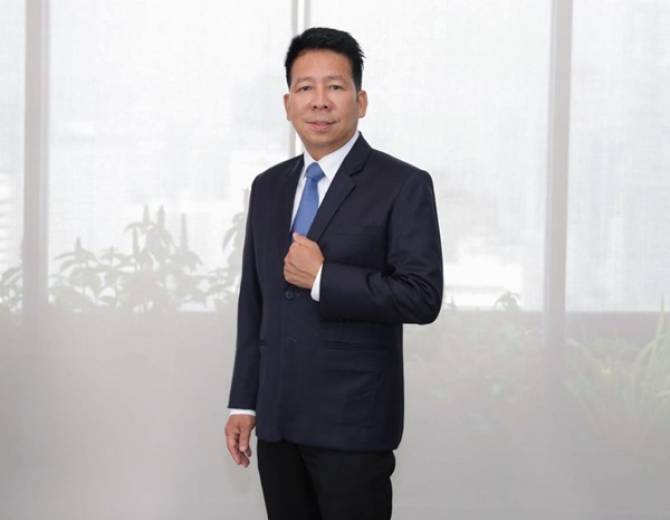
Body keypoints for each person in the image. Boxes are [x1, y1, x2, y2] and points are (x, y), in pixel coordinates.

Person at [224, 27, 443, 520]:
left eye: (335, 86)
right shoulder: (267, 187)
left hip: (353, 425)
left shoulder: (403, 184)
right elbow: (255, 302)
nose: (319, 101)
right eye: (305, 87)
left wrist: (324, 278)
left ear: (360, 101)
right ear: (288, 104)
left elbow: (422, 295)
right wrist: (244, 403)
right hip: (278, 424)